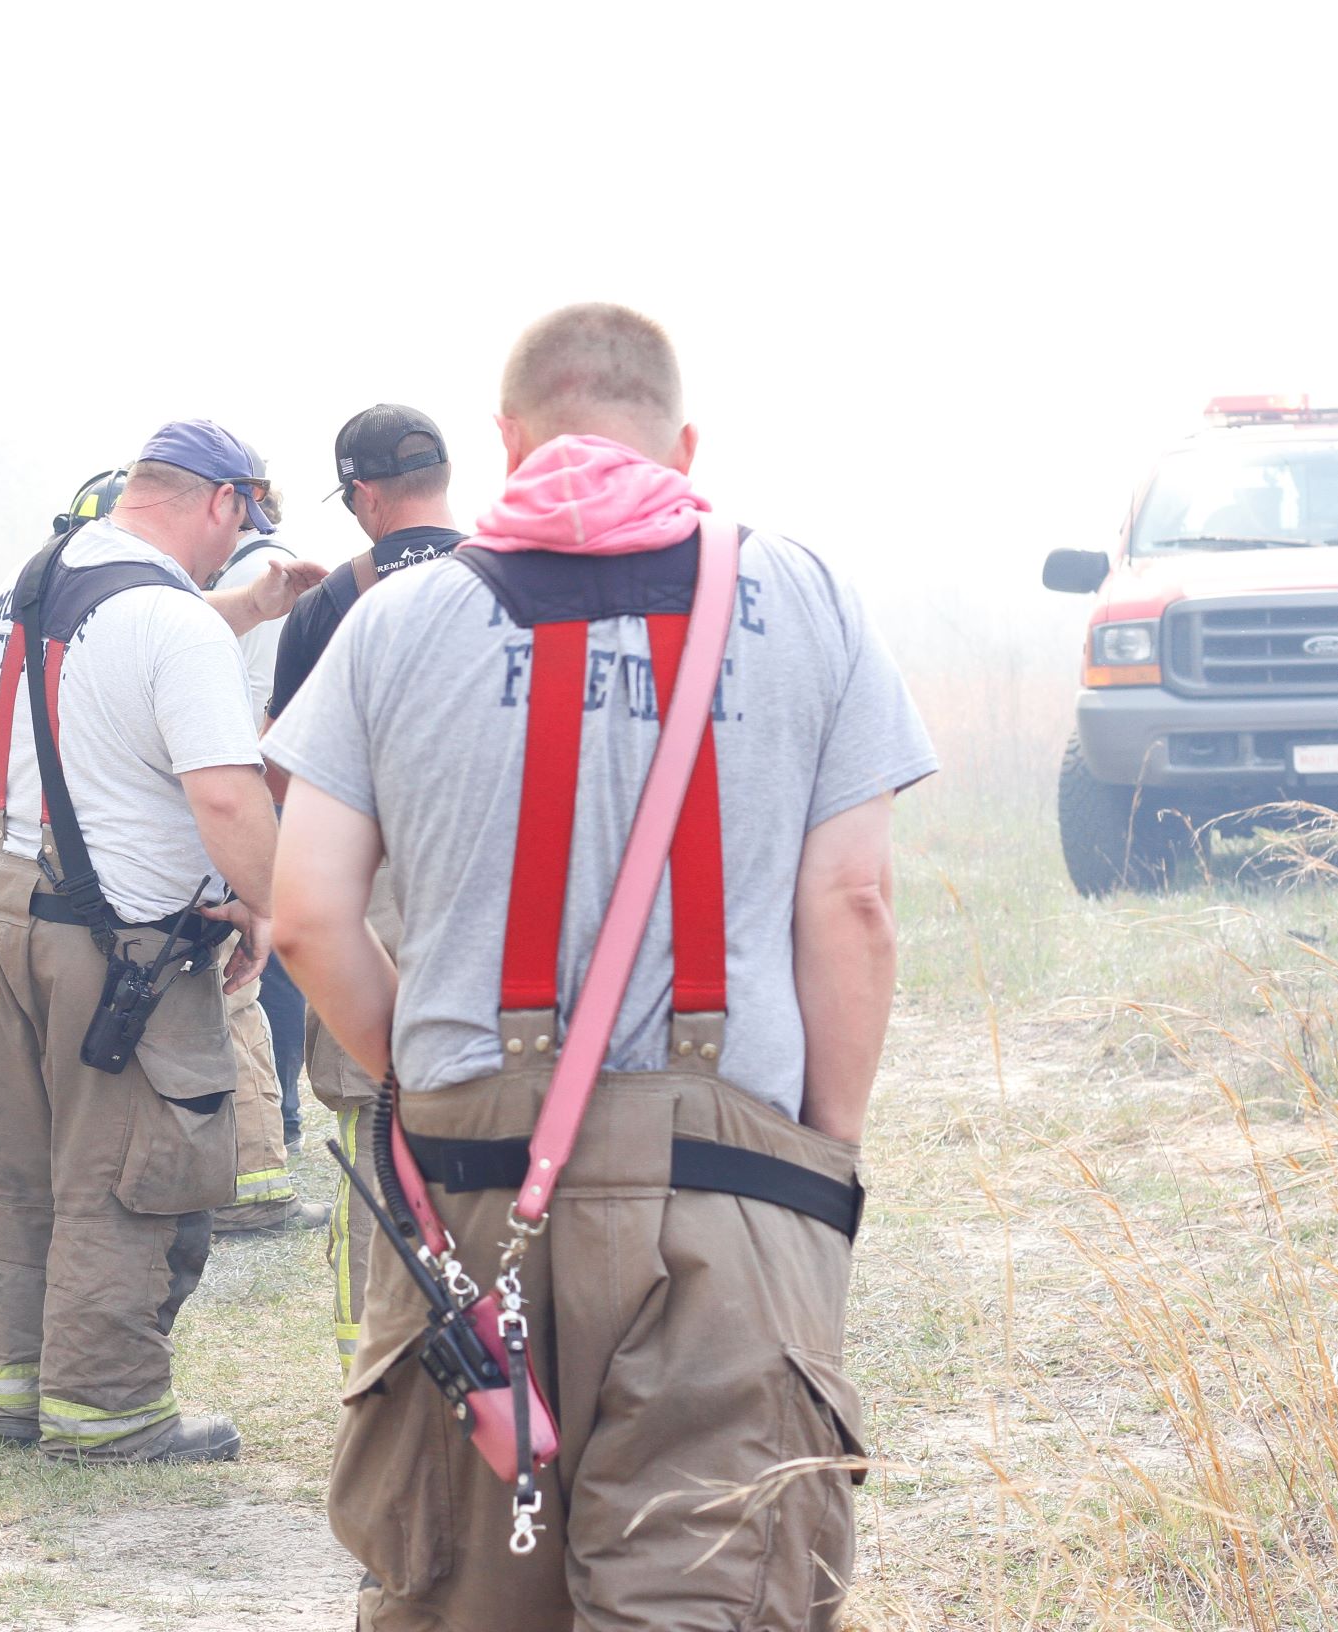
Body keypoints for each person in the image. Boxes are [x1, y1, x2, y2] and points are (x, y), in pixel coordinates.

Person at [267, 305, 937, 1628]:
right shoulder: (805, 599)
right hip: (728, 1182)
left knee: (459, 1591)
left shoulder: (393, 623)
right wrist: (819, 1155)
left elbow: (303, 918)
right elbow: (852, 901)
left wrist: (425, 1079)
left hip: (463, 1186)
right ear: (683, 444)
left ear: (508, 443)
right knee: (707, 1590)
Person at [0, 421, 319, 1464]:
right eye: (239, 531)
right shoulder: (172, 620)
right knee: (125, 1179)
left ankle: (12, 1395)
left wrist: (247, 607)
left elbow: (130, 644)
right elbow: (223, 793)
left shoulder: (40, 585)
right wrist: (275, 910)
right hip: (115, 952)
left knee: (21, 1176)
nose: (234, 553)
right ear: (222, 504)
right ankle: (106, 1411)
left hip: (4, 923)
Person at [264, 402, 467, 1370]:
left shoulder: (328, 608)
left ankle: (370, 1368)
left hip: (370, 893)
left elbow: (282, 776)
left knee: (369, 1124)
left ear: (364, 496)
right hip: (488, 885)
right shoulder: (506, 586)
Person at [203, 460, 325, 1236]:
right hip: (272, 790)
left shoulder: (238, 589)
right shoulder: (261, 585)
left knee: (259, 967)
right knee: (267, 970)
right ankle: (270, 1127)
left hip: (251, 789)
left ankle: (268, 1128)